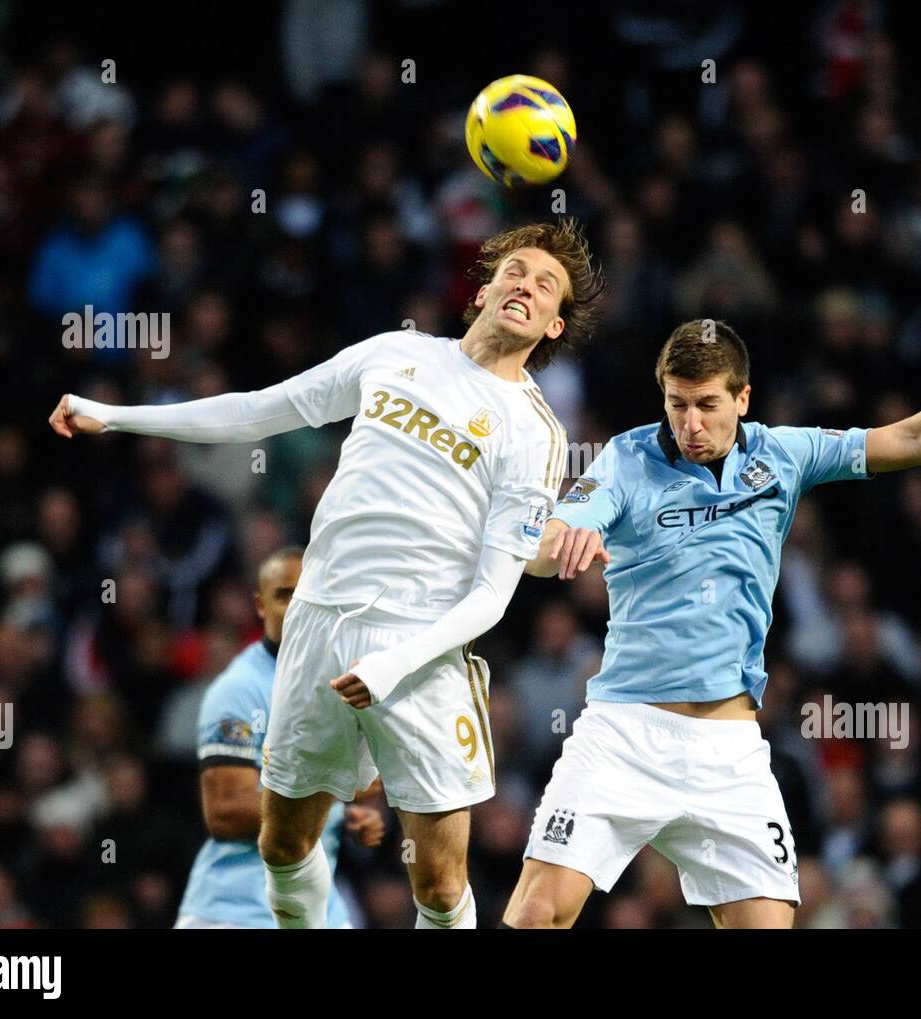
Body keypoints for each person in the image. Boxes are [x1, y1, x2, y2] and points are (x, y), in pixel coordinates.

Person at [49, 218, 605, 929]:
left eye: (545, 284)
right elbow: (258, 412)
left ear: (555, 326)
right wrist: (116, 417)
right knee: (283, 842)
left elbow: (494, 593)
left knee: (436, 880)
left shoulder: (535, 431)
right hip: (318, 617)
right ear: (485, 287)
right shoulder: (395, 353)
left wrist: (394, 664)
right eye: (516, 271)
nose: (526, 285)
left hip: (420, 643)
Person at [505, 318, 921, 929]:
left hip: (729, 750)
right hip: (624, 734)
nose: (690, 424)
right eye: (677, 404)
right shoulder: (623, 460)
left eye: (707, 405)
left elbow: (913, 439)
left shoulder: (782, 454)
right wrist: (559, 541)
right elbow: (548, 540)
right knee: (536, 914)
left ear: (742, 398)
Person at [175, 547, 385, 929]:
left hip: (315, 911)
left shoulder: (341, 678)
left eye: (306, 594)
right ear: (259, 605)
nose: (296, 607)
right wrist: (335, 792)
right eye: (284, 595)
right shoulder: (239, 689)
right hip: (234, 914)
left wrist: (345, 816)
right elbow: (224, 811)